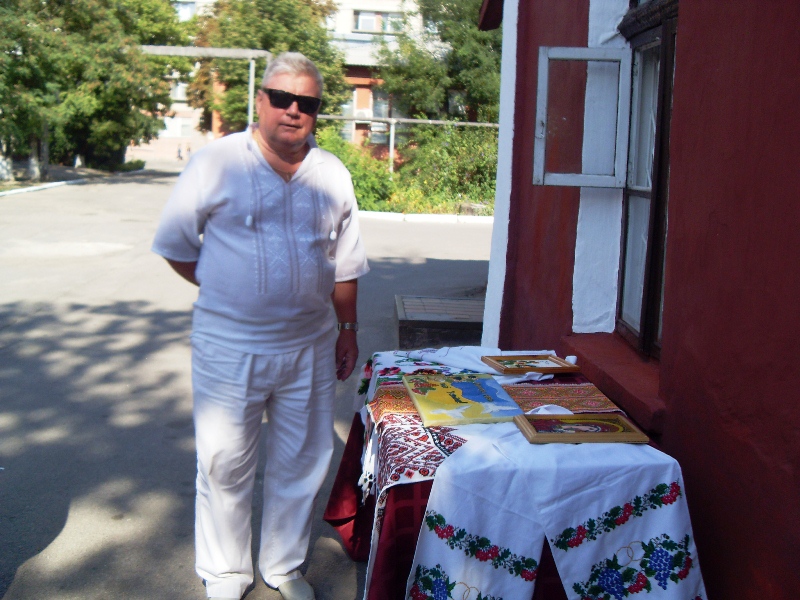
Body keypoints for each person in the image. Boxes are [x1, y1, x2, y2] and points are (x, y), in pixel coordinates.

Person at [151, 52, 369, 600]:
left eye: (307, 102)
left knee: (304, 459)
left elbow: (344, 263)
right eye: (282, 98)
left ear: (317, 111)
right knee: (224, 461)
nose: (293, 110)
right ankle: (225, 572)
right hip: (230, 344)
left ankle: (284, 566)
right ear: (260, 100)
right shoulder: (217, 163)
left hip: (311, 345)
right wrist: (229, 285)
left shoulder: (332, 174)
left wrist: (347, 329)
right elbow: (176, 244)